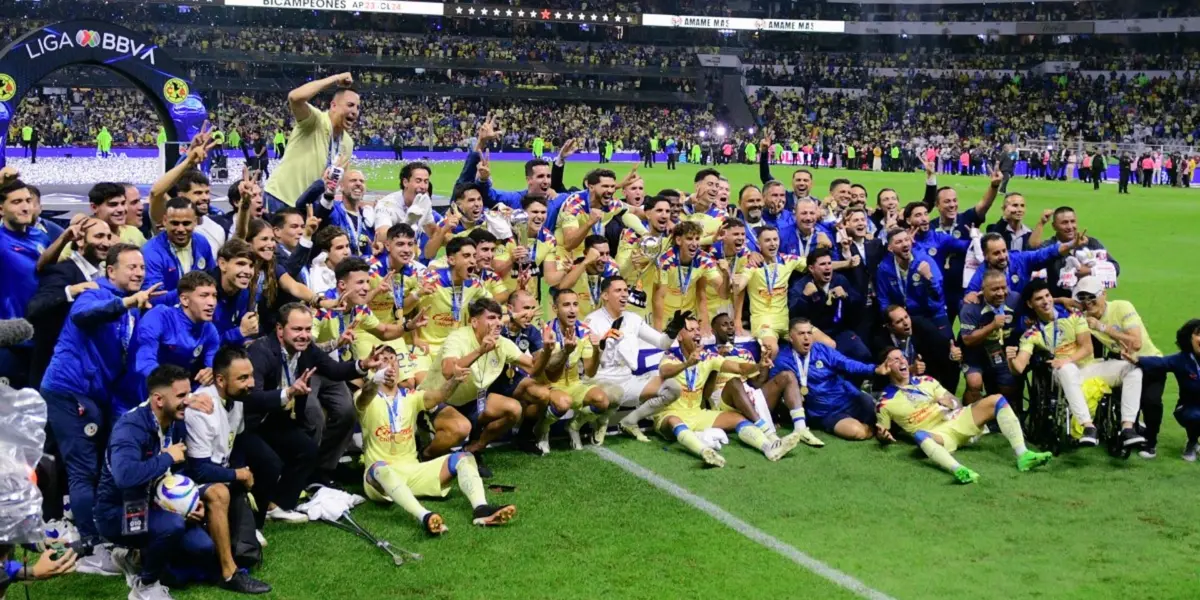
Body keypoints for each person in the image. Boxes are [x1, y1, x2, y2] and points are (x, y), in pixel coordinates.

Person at [39, 244, 166, 575]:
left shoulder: (133, 308)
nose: (139, 272)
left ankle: (100, 534)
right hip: (68, 389)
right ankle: (91, 549)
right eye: (131, 267)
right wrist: (127, 302)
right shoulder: (96, 292)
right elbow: (83, 316)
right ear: (111, 271)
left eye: (142, 267)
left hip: (93, 395)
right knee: (82, 470)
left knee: (95, 468)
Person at [95, 365, 271, 598]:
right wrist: (167, 457)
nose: (188, 401)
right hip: (119, 511)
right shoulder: (130, 429)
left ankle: (133, 557)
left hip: (154, 504)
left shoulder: (175, 423)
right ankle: (145, 586)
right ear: (158, 399)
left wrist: (189, 502)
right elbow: (125, 477)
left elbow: (179, 473)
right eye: (181, 396)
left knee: (202, 547)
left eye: (189, 393)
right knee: (172, 526)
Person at [358, 346, 516, 534]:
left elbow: (439, 396)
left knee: (464, 458)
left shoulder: (410, 396)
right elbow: (363, 399)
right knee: (379, 468)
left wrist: (455, 380)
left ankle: (481, 509)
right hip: (379, 478)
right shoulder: (364, 397)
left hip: (413, 471)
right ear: (375, 367)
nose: (391, 364)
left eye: (393, 359)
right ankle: (424, 516)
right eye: (384, 360)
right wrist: (376, 380)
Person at [244, 303, 380, 521]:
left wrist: (363, 364)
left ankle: (279, 505)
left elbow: (334, 370)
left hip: (278, 419)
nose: (304, 335)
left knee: (306, 449)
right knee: (271, 462)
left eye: (308, 329)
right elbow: (252, 398)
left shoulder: (306, 349)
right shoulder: (260, 352)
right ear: (280, 329)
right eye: (297, 329)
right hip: (252, 423)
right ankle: (256, 515)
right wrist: (287, 393)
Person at [875, 348, 1052, 484]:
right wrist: (883, 437)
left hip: (956, 418)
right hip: (938, 435)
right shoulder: (885, 402)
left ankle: (1023, 455)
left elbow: (955, 402)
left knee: (997, 399)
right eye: (895, 359)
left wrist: (951, 402)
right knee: (919, 435)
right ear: (886, 367)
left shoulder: (926, 380)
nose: (902, 361)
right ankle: (959, 470)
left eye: (903, 357)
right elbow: (883, 430)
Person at [1007, 281, 1145, 448]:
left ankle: (1128, 427)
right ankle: (1088, 426)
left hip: (1089, 367)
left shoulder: (1073, 315)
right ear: (1030, 304)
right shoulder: (1032, 333)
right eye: (1039, 299)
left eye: (1047, 296)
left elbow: (1087, 348)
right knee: (1066, 369)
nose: (1045, 301)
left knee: (1133, 369)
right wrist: (1010, 359)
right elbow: (1019, 368)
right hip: (1062, 375)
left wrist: (1067, 359)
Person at [419, 298, 543, 477]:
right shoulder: (458, 337)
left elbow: (533, 368)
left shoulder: (502, 343)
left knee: (513, 410)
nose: (498, 323)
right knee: (461, 428)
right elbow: (448, 371)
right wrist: (480, 351)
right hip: (437, 398)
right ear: (474, 322)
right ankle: (426, 455)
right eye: (491, 318)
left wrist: (547, 351)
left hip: (471, 399)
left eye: (499, 318)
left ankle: (474, 449)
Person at [653, 316, 798, 468]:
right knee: (674, 421)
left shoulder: (708, 357)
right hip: (670, 413)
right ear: (680, 336)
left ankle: (769, 448)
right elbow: (665, 372)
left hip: (697, 413)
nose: (697, 333)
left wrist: (758, 366)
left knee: (737, 418)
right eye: (691, 330)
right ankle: (704, 452)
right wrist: (687, 364)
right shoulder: (670, 356)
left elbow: (739, 368)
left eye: (698, 329)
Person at [183, 347, 271, 592]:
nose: (251, 383)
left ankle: (243, 536)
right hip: (189, 482)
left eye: (250, 375)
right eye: (243, 378)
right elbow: (199, 470)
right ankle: (229, 573)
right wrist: (238, 474)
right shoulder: (202, 408)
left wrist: (240, 470)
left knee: (264, 463)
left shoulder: (236, 399)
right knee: (219, 492)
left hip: (218, 472)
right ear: (220, 380)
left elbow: (238, 443)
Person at [1073, 277, 1163, 459]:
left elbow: (1136, 343)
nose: (1088, 302)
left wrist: (1103, 327)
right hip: (1126, 364)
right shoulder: (1085, 318)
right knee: (1127, 400)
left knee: (1151, 402)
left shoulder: (1122, 307)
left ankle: (1151, 442)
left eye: (1092, 297)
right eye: (1083, 298)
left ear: (1104, 294)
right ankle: (1130, 431)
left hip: (1150, 362)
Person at [26, 217, 112, 389]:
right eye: (99, 236)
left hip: (86, 372)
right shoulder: (63, 270)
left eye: (109, 237)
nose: (106, 243)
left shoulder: (105, 274)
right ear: (80, 241)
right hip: (53, 373)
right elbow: (34, 308)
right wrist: (70, 291)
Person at [769, 319, 888, 440]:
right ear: (791, 337)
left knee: (886, 414)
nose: (806, 338)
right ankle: (874, 431)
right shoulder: (782, 360)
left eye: (809, 333)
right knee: (857, 432)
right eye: (801, 333)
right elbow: (774, 388)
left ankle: (880, 428)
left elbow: (847, 363)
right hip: (826, 413)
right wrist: (773, 416)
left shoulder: (823, 350)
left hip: (849, 398)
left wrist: (874, 369)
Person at [264, 73, 357, 210]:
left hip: (308, 208)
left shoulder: (348, 143)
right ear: (333, 105)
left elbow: (338, 181)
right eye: (350, 105)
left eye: (358, 107)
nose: (355, 111)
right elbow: (295, 97)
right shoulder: (315, 120)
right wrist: (336, 79)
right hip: (280, 199)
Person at [0, 178, 52, 388]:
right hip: (9, 343)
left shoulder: (41, 237)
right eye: (16, 202)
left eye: (28, 200)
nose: (25, 207)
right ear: (1, 209)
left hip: (41, 340)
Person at [1127, 320, 1200, 461]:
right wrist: (1137, 359)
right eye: (1198, 334)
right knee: (1195, 416)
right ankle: (1192, 442)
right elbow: (1161, 363)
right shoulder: (1182, 360)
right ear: (1189, 338)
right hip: (1189, 408)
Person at [792, 247, 871, 363]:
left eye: (829, 263)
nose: (828, 267)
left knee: (863, 354)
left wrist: (846, 296)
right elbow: (793, 316)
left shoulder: (840, 280)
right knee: (829, 363)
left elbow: (859, 307)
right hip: (815, 334)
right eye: (822, 264)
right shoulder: (801, 286)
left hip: (840, 331)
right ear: (811, 268)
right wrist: (804, 297)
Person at [958, 270, 1022, 407]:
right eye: (995, 289)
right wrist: (992, 326)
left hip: (999, 352)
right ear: (983, 290)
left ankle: (999, 413)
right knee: (974, 384)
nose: (1001, 293)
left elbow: (1034, 301)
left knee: (1008, 386)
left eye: (1003, 287)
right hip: (974, 354)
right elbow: (967, 339)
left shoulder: (1015, 299)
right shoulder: (970, 307)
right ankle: (969, 417)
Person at [142, 197, 215, 293]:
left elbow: (212, 278)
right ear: (164, 221)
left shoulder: (202, 242)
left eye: (186, 223)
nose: (180, 229)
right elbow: (154, 296)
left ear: (195, 222)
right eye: (175, 223)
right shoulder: (151, 251)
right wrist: (191, 294)